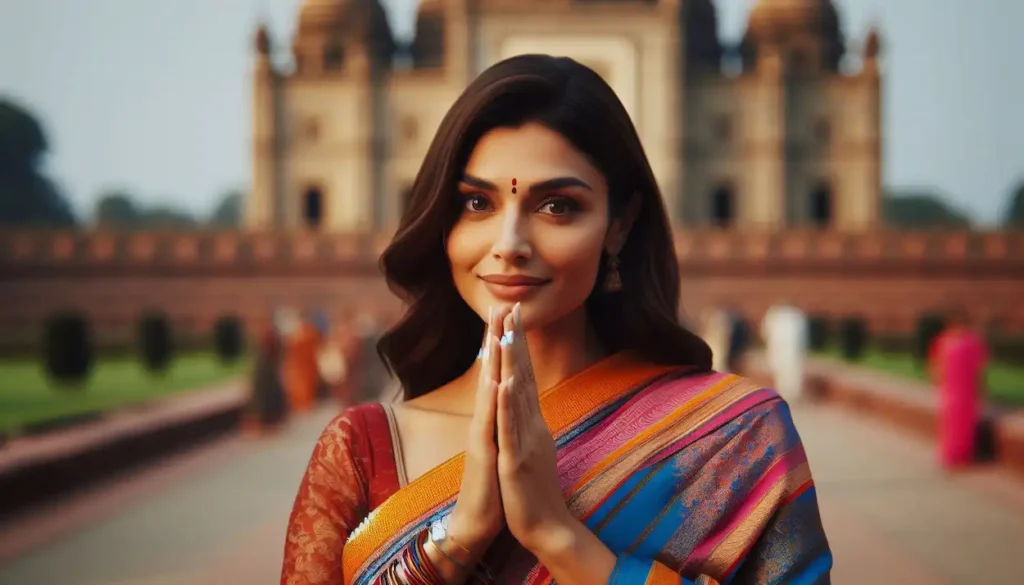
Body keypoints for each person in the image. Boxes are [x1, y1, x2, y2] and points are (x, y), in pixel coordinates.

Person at [281, 55, 831, 585]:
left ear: (620, 224)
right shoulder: (362, 450)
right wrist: (459, 537)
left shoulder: (734, 436)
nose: (510, 243)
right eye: (478, 204)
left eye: (557, 206)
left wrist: (558, 536)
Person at [928, 307, 988, 469]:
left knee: (965, 422)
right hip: (950, 388)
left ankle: (964, 453)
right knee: (949, 421)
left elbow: (979, 367)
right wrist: (937, 380)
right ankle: (951, 453)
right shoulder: (944, 341)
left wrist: (980, 387)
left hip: (967, 389)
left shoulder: (972, 342)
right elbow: (935, 364)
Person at [761, 303, 809, 403]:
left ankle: (792, 393)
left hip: (791, 350)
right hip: (780, 349)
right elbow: (766, 332)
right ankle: (784, 393)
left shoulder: (795, 316)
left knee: (792, 371)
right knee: (781, 371)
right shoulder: (775, 316)